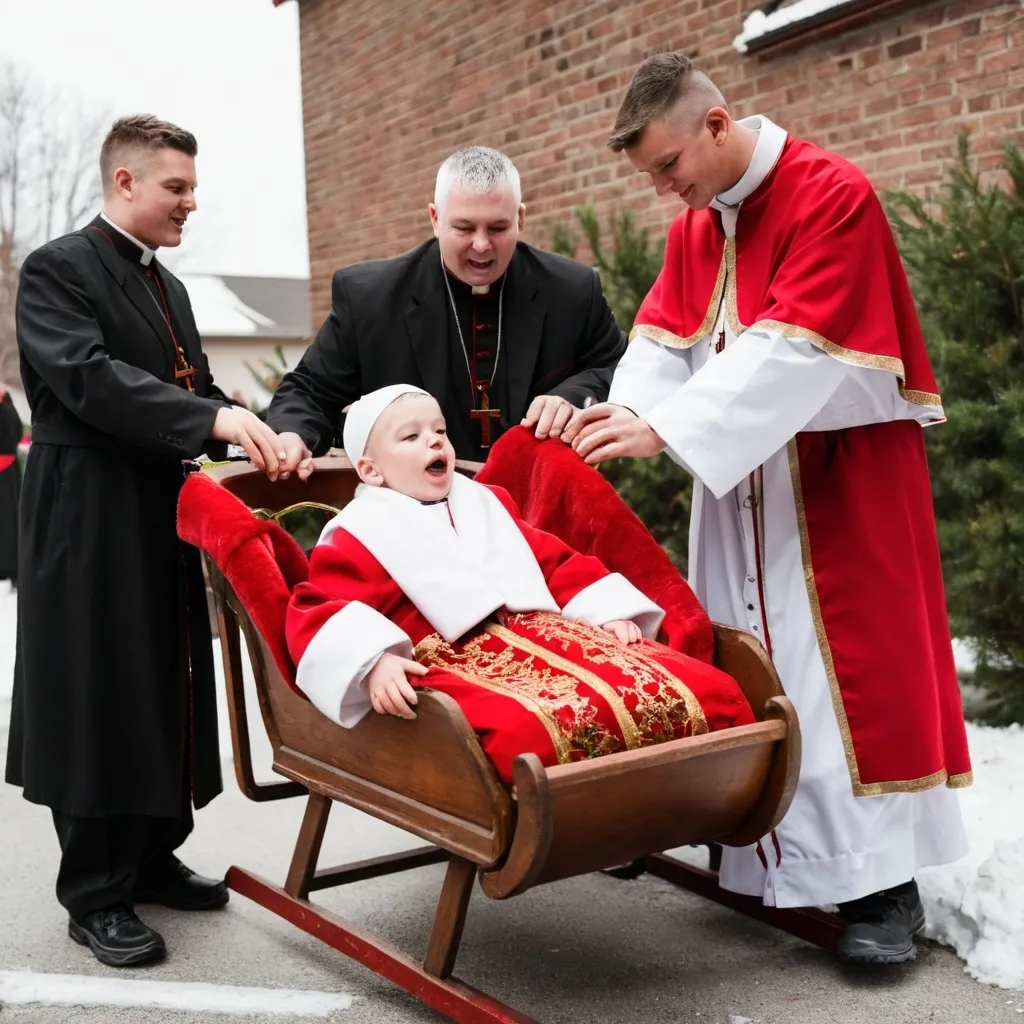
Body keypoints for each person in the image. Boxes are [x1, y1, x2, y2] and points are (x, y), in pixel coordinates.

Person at [561, 53, 973, 965]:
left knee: (842, 683)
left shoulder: (832, 193)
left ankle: (879, 890)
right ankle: (761, 855)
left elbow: (801, 352)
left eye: (670, 167)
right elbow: (663, 341)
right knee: (750, 664)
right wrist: (631, 409)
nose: (668, 192)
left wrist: (667, 428)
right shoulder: (698, 225)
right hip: (740, 487)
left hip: (837, 484)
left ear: (715, 124)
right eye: (653, 178)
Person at [5, 114, 287, 968]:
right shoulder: (56, 268)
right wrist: (211, 417)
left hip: (159, 505)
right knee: (98, 687)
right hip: (85, 510)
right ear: (124, 182)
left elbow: (192, 385)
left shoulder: (169, 286)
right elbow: (90, 378)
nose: (190, 204)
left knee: (166, 675)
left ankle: (154, 856)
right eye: (177, 187)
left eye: (192, 188)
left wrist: (261, 433)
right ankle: (93, 894)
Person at [285, 385, 754, 783]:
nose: (435, 443)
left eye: (440, 432)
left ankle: (680, 789)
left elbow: (552, 561)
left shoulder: (485, 502)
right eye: (412, 437)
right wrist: (374, 662)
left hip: (542, 630)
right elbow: (321, 605)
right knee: (526, 726)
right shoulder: (362, 530)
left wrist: (607, 610)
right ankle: (561, 808)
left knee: (679, 683)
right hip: (451, 653)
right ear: (370, 470)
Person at [265, 146, 627, 476]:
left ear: (520, 219)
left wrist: (571, 396)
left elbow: (619, 365)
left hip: (540, 510)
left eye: (498, 227)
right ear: (435, 218)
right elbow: (308, 390)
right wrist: (295, 436)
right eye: (464, 227)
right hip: (417, 515)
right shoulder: (370, 299)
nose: (482, 245)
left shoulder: (572, 290)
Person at [0, 385, 22, 589]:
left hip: (5, 470)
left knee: (9, 520)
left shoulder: (6, 406)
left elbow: (13, 433)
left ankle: (14, 570)